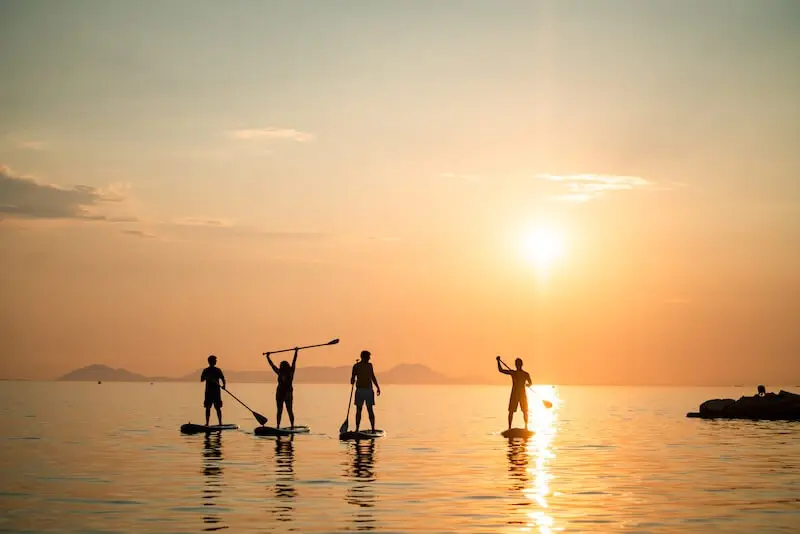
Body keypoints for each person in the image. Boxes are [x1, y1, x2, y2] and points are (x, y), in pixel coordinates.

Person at [497, 356, 532, 430]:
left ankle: (526, 427)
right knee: (511, 411)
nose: (517, 365)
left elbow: (530, 383)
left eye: (518, 364)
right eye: (517, 364)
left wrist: (528, 385)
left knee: (525, 411)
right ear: (516, 365)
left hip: (522, 394)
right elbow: (501, 370)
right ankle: (509, 427)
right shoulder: (513, 373)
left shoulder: (525, 374)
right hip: (514, 394)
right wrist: (498, 361)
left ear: (521, 364)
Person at [266, 348, 298, 429]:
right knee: (279, 411)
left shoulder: (290, 372)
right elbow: (272, 366)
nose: (280, 367)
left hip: (287, 394)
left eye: (281, 366)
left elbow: (294, 362)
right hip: (280, 394)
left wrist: (296, 352)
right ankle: (278, 426)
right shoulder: (280, 373)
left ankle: (292, 426)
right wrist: (268, 357)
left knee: (289, 410)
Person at [351, 350, 381, 432]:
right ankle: (357, 429)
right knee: (359, 410)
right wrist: (353, 380)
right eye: (368, 357)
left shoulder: (369, 365)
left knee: (370, 409)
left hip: (368, 390)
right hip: (360, 390)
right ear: (363, 357)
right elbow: (352, 379)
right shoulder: (356, 366)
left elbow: (373, 377)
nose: (369, 358)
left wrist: (377, 387)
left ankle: (373, 429)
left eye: (369, 357)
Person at [201, 355, 226, 426]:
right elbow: (202, 379)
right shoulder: (206, 370)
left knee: (218, 407)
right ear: (210, 361)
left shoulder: (218, 370)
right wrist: (206, 377)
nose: (216, 361)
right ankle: (207, 423)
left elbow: (223, 378)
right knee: (208, 407)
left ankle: (220, 423)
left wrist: (224, 386)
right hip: (208, 392)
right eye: (215, 360)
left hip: (216, 392)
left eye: (216, 360)